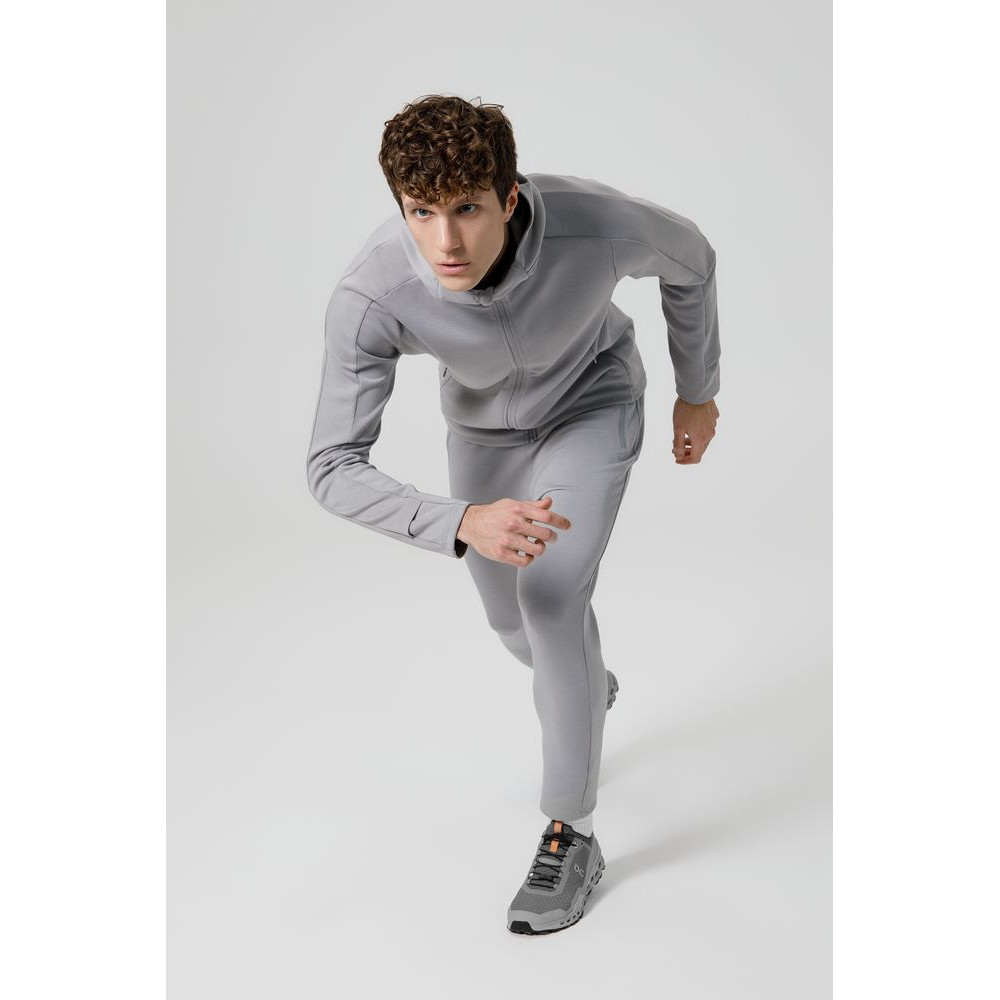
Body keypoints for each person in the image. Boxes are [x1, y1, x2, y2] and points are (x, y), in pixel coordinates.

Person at [306, 94, 721, 935]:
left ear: (510, 196)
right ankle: (585, 688)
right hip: (482, 437)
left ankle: (573, 831)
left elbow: (693, 259)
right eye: (421, 212)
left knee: (549, 597)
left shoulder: (595, 225)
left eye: (467, 208)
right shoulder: (373, 291)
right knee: (512, 626)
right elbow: (331, 468)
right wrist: (461, 521)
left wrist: (698, 390)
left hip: (593, 404)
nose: (446, 243)